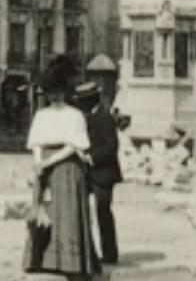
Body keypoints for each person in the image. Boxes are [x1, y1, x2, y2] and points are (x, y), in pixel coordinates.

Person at [25, 56, 102, 280]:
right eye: (51, 92)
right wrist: (38, 164)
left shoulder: (75, 115)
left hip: (67, 168)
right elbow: (37, 142)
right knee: (44, 213)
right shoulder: (41, 115)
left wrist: (48, 162)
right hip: (46, 165)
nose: (54, 96)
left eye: (58, 91)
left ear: (65, 91)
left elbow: (74, 145)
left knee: (67, 214)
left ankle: (72, 261)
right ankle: (44, 260)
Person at [75, 81, 122, 265]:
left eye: (83, 101)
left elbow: (111, 146)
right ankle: (89, 253)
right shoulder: (85, 117)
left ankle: (110, 255)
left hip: (103, 174)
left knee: (103, 213)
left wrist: (90, 157)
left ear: (90, 100)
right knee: (82, 212)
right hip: (88, 173)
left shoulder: (105, 117)